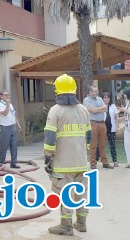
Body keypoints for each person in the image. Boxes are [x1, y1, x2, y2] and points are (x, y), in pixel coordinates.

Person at [44, 74, 91, 235]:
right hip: (81, 161)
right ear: (74, 90)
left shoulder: (55, 111)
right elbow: (89, 136)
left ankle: (66, 225)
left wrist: (48, 158)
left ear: (57, 90)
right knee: (80, 192)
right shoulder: (83, 109)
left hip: (63, 163)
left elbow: (50, 138)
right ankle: (82, 222)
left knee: (64, 192)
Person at [84, 86, 114, 170]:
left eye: (96, 91)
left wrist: (97, 109)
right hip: (93, 123)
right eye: (94, 91)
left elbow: (105, 108)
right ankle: (93, 163)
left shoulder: (100, 99)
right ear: (89, 92)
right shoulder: (86, 100)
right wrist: (99, 109)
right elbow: (93, 110)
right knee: (93, 144)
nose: (96, 93)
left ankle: (105, 162)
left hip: (102, 123)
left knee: (103, 144)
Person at [0, 90, 22, 169]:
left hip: (12, 126)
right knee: (4, 145)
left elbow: (13, 114)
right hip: (5, 127)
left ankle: (14, 162)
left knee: (14, 145)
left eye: (8, 95)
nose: (7, 96)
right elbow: (5, 113)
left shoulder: (10, 105)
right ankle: (2, 163)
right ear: (1, 96)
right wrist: (7, 105)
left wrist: (18, 124)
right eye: (5, 95)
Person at [102, 92, 119, 166]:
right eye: (105, 98)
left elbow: (116, 117)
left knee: (112, 145)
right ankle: (97, 160)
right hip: (102, 128)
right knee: (101, 144)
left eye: (108, 97)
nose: (106, 99)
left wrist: (117, 125)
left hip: (111, 128)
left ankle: (115, 161)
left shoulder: (113, 106)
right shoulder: (100, 106)